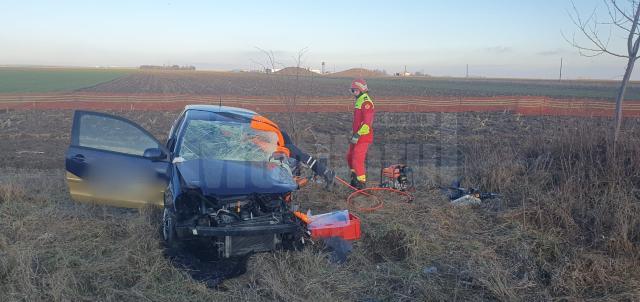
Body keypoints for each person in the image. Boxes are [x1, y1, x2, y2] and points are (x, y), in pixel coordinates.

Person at [250, 115, 335, 187]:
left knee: (297, 154)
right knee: (297, 155)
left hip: (277, 140)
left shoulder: (256, 132)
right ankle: (323, 172)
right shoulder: (253, 129)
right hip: (276, 138)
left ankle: (324, 172)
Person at [346, 78, 375, 189]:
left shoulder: (366, 102)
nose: (354, 93)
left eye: (355, 90)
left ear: (362, 89)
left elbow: (367, 123)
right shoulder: (360, 100)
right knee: (349, 156)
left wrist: (358, 135)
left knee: (357, 158)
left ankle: (361, 184)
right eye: (352, 91)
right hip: (357, 134)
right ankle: (354, 177)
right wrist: (354, 133)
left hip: (364, 135)